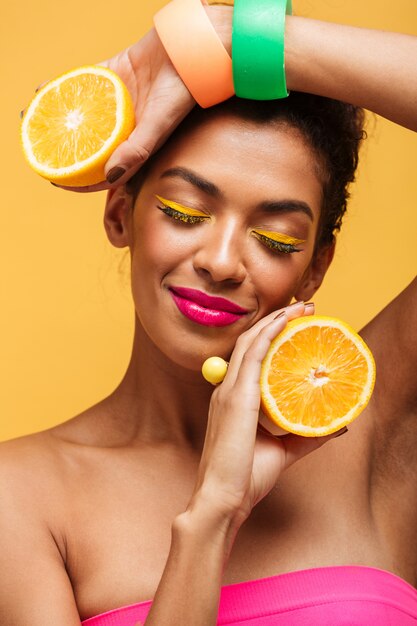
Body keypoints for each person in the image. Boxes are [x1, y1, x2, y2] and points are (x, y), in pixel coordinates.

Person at [2, 3, 417, 625]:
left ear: (315, 267)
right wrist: (213, 514)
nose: (222, 262)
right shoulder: (21, 499)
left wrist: (235, 42)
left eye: (276, 239)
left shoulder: (374, 427)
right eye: (186, 213)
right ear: (120, 214)